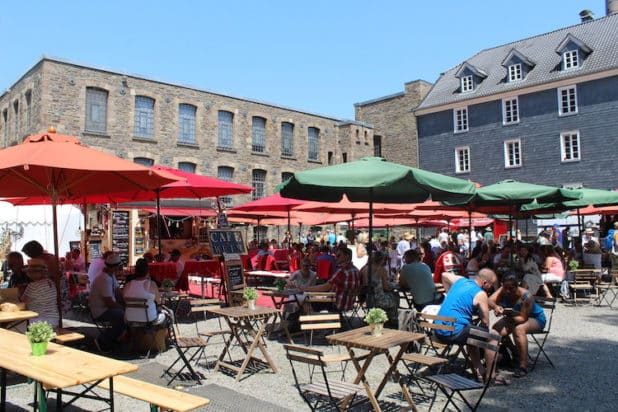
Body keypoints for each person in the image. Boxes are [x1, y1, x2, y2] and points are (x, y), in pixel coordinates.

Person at [434, 269, 507, 385]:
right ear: (485, 283)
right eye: (491, 285)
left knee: (472, 332)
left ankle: (479, 370)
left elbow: (444, 274)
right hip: (453, 333)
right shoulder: (480, 294)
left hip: (437, 330)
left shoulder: (460, 281)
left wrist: (449, 294)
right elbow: (486, 323)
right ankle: (491, 376)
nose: (491, 288)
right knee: (493, 336)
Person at [488, 273, 547, 378]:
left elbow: (522, 318)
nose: (508, 291)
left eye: (511, 288)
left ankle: (523, 365)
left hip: (535, 318)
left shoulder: (526, 296)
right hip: (513, 316)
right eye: (505, 288)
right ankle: (515, 353)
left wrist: (506, 315)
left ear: (517, 285)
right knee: (496, 330)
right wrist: (496, 307)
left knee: (519, 329)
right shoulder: (503, 289)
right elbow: (490, 301)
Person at [301, 246, 360, 312]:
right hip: (349, 302)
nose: (336, 258)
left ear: (347, 256)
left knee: (304, 298)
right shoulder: (355, 269)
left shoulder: (342, 271)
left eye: (339, 255)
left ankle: (311, 320)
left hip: (336, 302)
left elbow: (325, 287)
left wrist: (305, 289)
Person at [89, 253, 127, 351]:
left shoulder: (110, 275)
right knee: (123, 316)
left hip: (105, 308)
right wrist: (123, 307)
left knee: (124, 314)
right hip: (100, 311)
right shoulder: (103, 279)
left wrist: (125, 302)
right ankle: (103, 341)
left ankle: (114, 338)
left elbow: (118, 291)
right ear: (115, 267)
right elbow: (109, 302)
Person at [123, 258, 165, 325]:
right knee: (168, 315)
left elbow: (124, 300)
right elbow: (158, 300)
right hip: (149, 318)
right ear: (147, 271)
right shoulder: (151, 284)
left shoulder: (128, 285)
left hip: (129, 318)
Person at [19, 258, 60, 328]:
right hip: (54, 320)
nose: (28, 274)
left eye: (29, 272)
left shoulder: (33, 286)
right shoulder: (51, 283)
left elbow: (22, 304)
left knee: (14, 324)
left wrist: (19, 292)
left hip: (39, 321)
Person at [360, 251, 399, 324]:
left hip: (367, 298)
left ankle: (384, 317)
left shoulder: (364, 268)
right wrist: (392, 287)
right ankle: (392, 318)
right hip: (378, 299)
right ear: (381, 260)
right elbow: (386, 287)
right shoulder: (381, 270)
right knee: (396, 296)